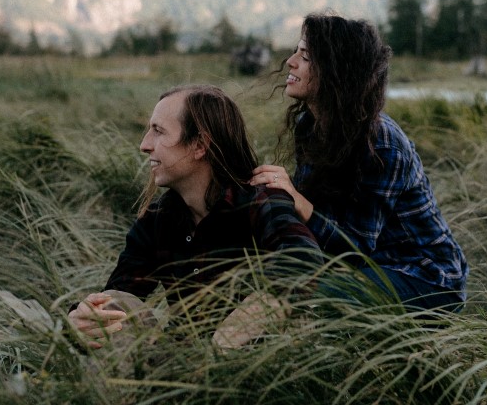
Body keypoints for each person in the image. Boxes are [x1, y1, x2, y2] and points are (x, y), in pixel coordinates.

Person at [68, 84, 321, 349]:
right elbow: (120, 292)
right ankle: (123, 390)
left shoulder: (261, 200)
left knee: (289, 304)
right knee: (112, 306)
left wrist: (231, 334)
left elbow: (304, 261)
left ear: (199, 145)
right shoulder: (158, 218)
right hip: (186, 363)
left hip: (262, 363)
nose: (144, 145)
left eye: (158, 132)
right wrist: (82, 318)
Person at [251, 12, 468, 311]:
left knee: (312, 298)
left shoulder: (381, 143)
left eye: (306, 56)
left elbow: (355, 250)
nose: (291, 62)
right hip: (372, 268)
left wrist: (298, 202)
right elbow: (318, 232)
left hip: (427, 278)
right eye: (296, 52)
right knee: (268, 278)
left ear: (335, 70)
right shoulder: (310, 126)